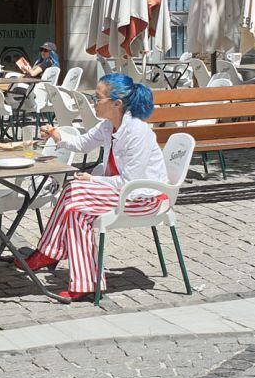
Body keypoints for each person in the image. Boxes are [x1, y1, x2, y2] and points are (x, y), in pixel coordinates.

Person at [20, 73, 169, 301]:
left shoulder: (137, 132)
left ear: (116, 103)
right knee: (77, 208)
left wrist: (93, 180)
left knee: (74, 191)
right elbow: (82, 143)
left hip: (144, 199)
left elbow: (131, 182)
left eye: (97, 97)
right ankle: (81, 280)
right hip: (121, 194)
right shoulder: (109, 126)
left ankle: (48, 253)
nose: (92, 102)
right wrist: (57, 135)